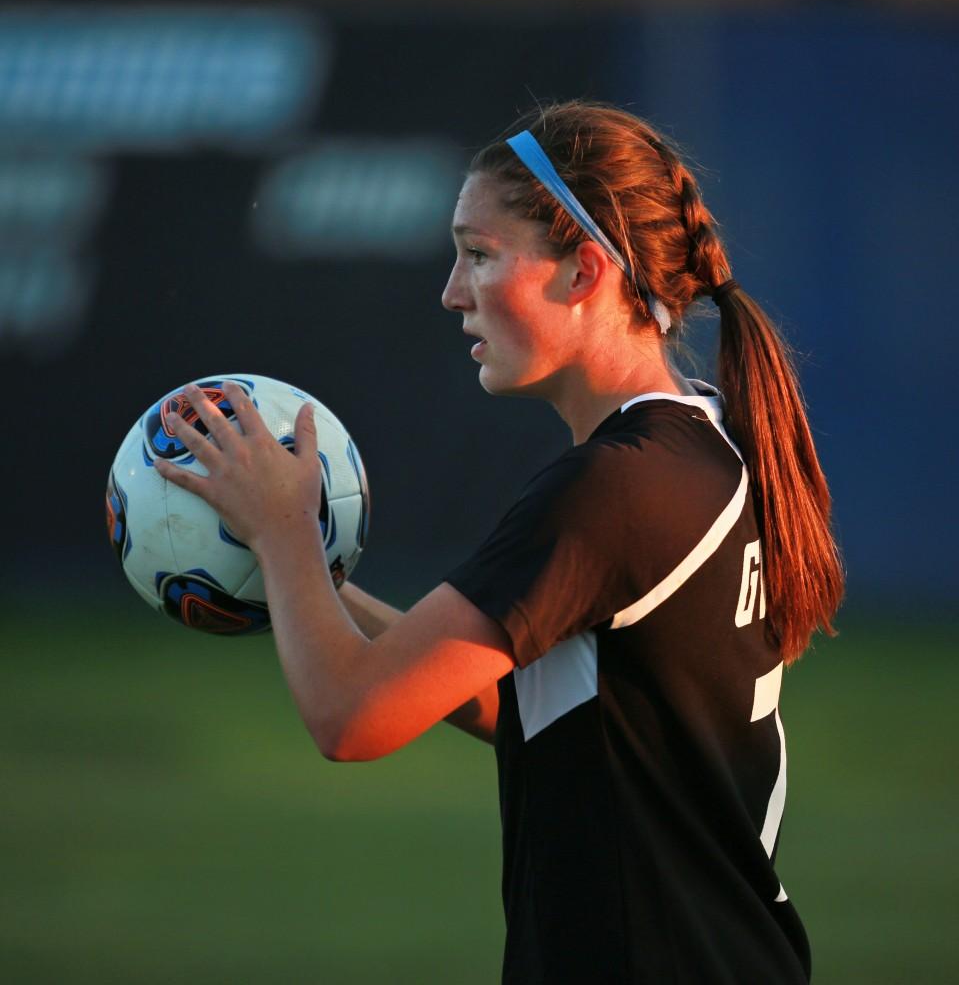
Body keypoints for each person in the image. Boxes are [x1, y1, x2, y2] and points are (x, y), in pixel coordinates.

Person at [155, 100, 844, 983]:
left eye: (478, 254)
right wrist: (300, 573)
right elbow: (537, 708)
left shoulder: (613, 489)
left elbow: (350, 718)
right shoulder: (693, 448)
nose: (451, 290)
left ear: (584, 270)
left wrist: (284, 528)